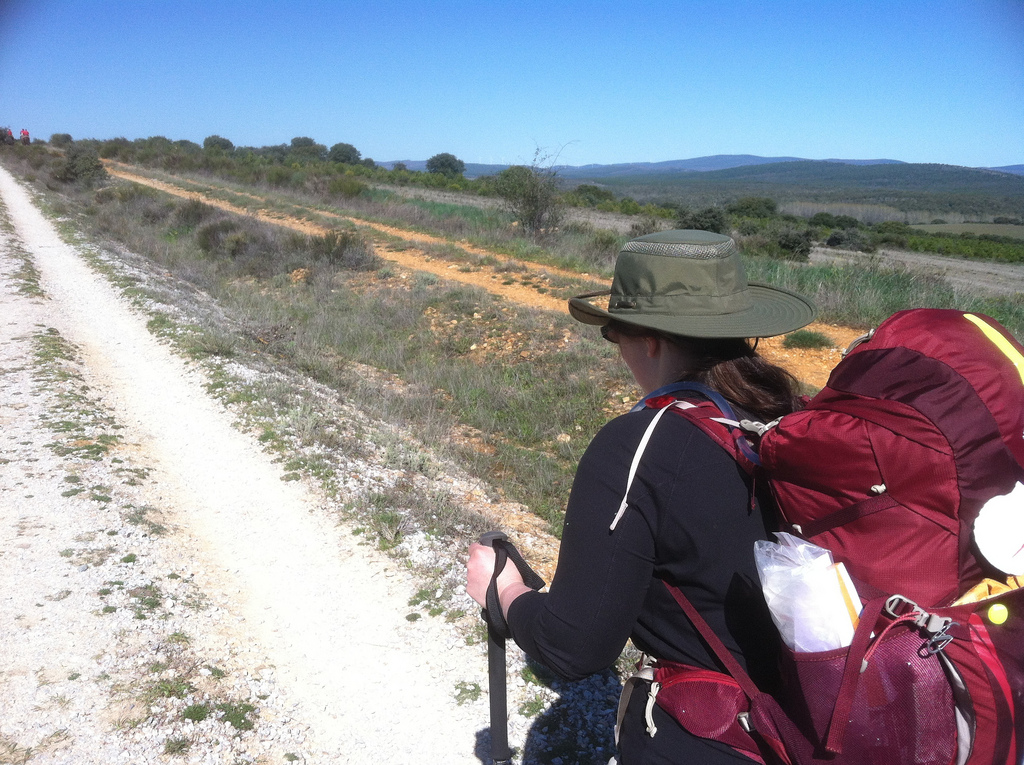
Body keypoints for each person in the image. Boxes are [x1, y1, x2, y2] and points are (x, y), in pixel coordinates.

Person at [466, 229, 816, 763]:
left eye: (614, 334)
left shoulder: (638, 445)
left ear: (648, 339)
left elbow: (573, 646)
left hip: (718, 738)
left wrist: (506, 592)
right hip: (827, 713)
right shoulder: (793, 419)